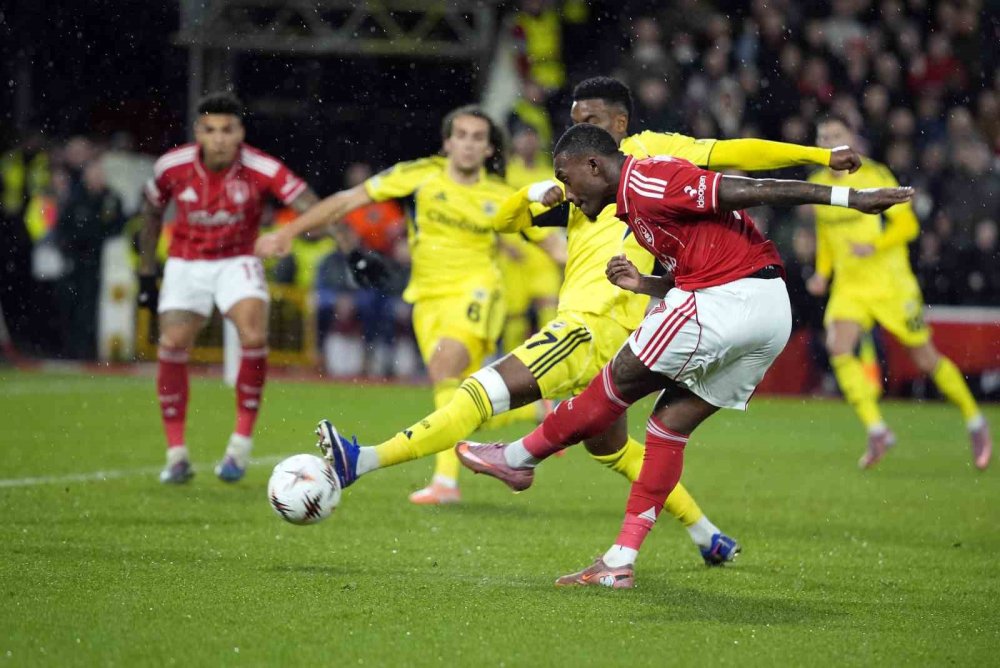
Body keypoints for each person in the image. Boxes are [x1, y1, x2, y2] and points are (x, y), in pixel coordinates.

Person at [312, 77, 862, 565]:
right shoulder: (580, 183)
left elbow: (736, 154)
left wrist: (815, 154)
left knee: (476, 392)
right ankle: (706, 533)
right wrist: (534, 194)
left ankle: (364, 460)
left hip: (592, 324)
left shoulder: (651, 157)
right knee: (619, 449)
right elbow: (503, 222)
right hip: (616, 327)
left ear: (619, 126)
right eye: (574, 124)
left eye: (591, 123)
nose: (579, 133)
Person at [455, 123, 914, 588]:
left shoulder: (650, 179)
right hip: (767, 313)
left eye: (566, 177)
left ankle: (517, 457)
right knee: (667, 428)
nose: (567, 193)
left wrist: (850, 199)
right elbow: (705, 263)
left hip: (727, 301)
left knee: (609, 387)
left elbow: (753, 189)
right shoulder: (634, 210)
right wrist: (644, 285)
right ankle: (620, 560)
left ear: (593, 165)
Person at [256, 105, 539, 504]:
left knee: (446, 367)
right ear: (447, 142)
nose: (469, 144)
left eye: (478, 137)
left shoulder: (502, 196)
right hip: (426, 296)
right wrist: (290, 230)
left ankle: (446, 482)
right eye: (462, 135)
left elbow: (549, 240)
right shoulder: (419, 175)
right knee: (458, 393)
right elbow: (346, 200)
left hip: (478, 292)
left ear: (490, 147)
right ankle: (537, 413)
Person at [138, 92, 321, 484]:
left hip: (238, 259)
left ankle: (240, 445)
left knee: (253, 334)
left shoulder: (260, 167)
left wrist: (335, 236)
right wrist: (145, 272)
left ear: (241, 132)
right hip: (186, 263)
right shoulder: (172, 166)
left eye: (227, 129)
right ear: (197, 132)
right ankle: (176, 454)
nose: (219, 138)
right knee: (171, 345)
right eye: (210, 129)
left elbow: (309, 202)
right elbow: (150, 209)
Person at [805, 115, 992, 470]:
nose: (829, 141)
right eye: (823, 135)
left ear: (852, 139)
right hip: (850, 286)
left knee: (925, 358)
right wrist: (822, 272)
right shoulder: (817, 183)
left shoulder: (874, 176)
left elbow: (907, 224)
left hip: (891, 283)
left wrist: (874, 244)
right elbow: (826, 235)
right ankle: (877, 430)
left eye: (836, 135)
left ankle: (975, 420)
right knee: (838, 347)